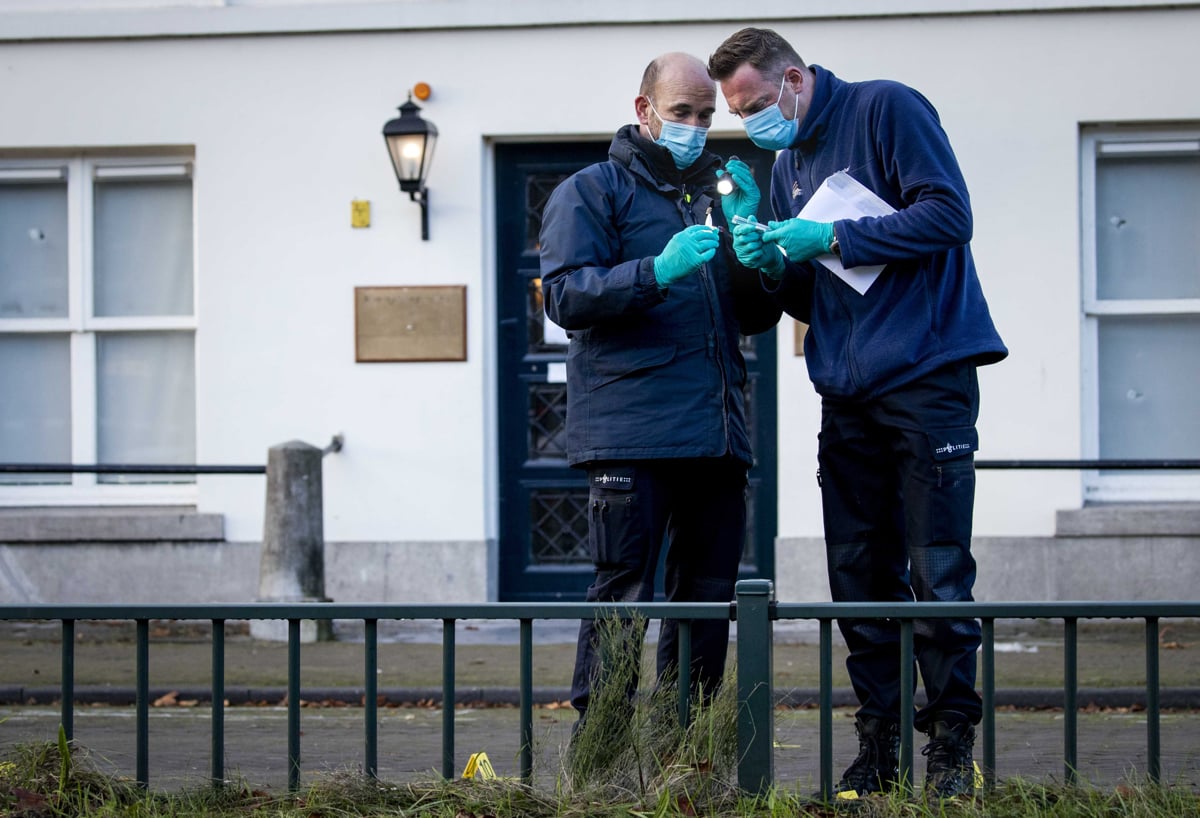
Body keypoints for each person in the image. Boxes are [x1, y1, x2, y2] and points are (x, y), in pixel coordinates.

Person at [707, 28, 1008, 800]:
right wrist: (773, 265)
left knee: (937, 570)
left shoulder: (887, 109)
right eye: (739, 116)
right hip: (844, 390)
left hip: (926, 375)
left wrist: (832, 232)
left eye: (757, 105)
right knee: (859, 581)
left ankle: (950, 748)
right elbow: (813, 292)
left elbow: (949, 216)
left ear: (796, 80)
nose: (753, 125)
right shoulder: (787, 167)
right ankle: (877, 749)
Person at [538, 52, 781, 727]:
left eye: (706, 116)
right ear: (644, 110)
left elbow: (755, 316)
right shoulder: (593, 191)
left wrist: (755, 252)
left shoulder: (717, 195)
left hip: (715, 434)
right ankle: (604, 750)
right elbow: (563, 295)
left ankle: (690, 747)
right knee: (623, 592)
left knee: (706, 598)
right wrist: (655, 269)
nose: (696, 127)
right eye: (682, 113)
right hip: (630, 433)